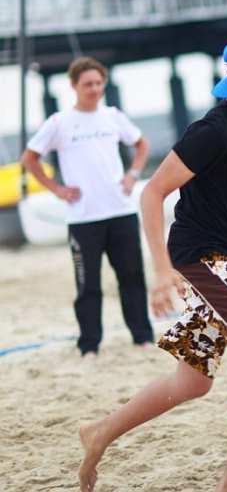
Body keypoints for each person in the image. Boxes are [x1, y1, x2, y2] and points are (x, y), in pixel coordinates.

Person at [76, 34, 227, 492]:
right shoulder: (213, 130)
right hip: (201, 259)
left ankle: (100, 432)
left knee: (192, 382)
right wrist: (161, 270)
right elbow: (152, 192)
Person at [21, 56, 154, 357]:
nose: (94, 89)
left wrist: (133, 175)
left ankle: (142, 337)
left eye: (98, 83)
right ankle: (89, 346)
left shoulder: (113, 116)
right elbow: (29, 158)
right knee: (88, 285)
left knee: (132, 277)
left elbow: (142, 144)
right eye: (87, 84)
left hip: (121, 211)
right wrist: (56, 189)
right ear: (74, 86)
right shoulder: (59, 122)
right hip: (83, 218)